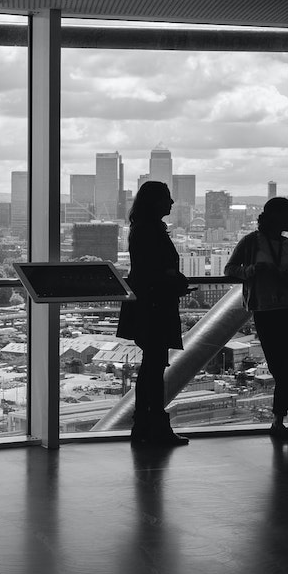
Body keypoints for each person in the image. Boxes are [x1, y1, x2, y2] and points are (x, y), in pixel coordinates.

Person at [225, 197, 288, 437]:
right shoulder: (251, 242)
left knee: (284, 368)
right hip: (270, 310)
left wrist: (278, 273)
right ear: (277, 217)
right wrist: (252, 271)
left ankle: (278, 421)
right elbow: (230, 269)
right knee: (279, 368)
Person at [116, 181, 192, 447]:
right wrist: (173, 280)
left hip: (147, 305)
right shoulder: (151, 231)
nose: (171, 203)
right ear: (155, 202)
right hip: (155, 306)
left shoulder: (141, 229)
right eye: (167, 199)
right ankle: (154, 425)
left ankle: (145, 424)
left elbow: (146, 270)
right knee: (154, 367)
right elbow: (155, 270)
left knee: (151, 367)